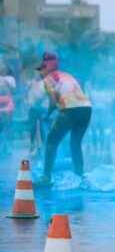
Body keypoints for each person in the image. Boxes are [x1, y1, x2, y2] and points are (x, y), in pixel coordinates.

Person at [33, 51, 93, 186]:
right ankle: (80, 175)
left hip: (69, 110)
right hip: (86, 109)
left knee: (51, 142)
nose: (40, 73)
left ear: (45, 67)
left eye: (40, 70)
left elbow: (53, 102)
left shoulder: (48, 79)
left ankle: (46, 177)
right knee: (75, 144)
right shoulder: (67, 75)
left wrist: (47, 115)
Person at [0, 63, 17, 153]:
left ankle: (9, 144)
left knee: (8, 124)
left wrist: (6, 82)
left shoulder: (11, 79)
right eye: (1, 69)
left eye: (4, 69)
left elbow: (14, 91)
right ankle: (3, 144)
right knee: (1, 125)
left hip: (8, 103)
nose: (2, 70)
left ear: (7, 70)